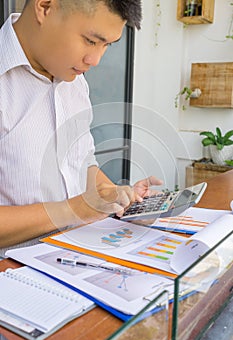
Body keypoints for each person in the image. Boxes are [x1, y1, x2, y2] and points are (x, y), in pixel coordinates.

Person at [0, 0, 163, 253]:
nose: (95, 59)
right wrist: (76, 209)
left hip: (77, 259)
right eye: (90, 40)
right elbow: (79, 206)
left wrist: (117, 196)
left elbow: (81, 163)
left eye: (107, 45)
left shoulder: (74, 82)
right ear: (45, 7)